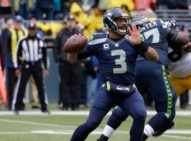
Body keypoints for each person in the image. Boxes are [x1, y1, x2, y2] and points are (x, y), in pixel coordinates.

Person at [68, 7, 159, 141]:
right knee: (91, 123)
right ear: (110, 22)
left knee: (140, 114)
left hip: (129, 90)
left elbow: (155, 57)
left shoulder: (132, 39)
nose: (123, 23)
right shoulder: (98, 40)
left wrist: (141, 43)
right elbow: (73, 58)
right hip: (108, 90)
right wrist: (73, 49)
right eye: (120, 20)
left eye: (124, 20)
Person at [97, 14, 179, 141]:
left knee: (125, 104)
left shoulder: (128, 35)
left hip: (135, 70)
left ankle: (103, 137)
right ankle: (142, 136)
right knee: (170, 110)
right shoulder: (159, 26)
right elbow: (185, 41)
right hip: (156, 68)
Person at [12, 22, 50, 114]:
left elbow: (45, 55)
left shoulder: (41, 40)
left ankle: (44, 106)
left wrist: (46, 67)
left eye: (33, 29)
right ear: (28, 30)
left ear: (36, 30)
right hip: (26, 65)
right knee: (21, 86)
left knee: (41, 86)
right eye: (30, 29)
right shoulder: (22, 41)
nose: (32, 31)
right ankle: (17, 106)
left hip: (37, 65)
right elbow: (17, 54)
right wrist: (17, 67)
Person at [53, 14, 82, 111]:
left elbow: (83, 48)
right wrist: (57, 60)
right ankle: (65, 104)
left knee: (76, 84)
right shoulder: (61, 33)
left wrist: (82, 60)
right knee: (64, 84)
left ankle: (75, 104)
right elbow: (55, 47)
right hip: (64, 62)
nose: (70, 23)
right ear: (66, 22)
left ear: (75, 23)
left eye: (72, 21)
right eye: (69, 21)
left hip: (76, 62)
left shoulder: (79, 33)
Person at [5, 15, 28, 111]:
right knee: (10, 85)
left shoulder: (25, 32)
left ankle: (20, 103)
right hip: (11, 62)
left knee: (21, 85)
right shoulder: (9, 32)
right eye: (17, 22)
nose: (18, 24)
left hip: (22, 62)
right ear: (14, 23)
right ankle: (10, 103)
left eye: (20, 22)